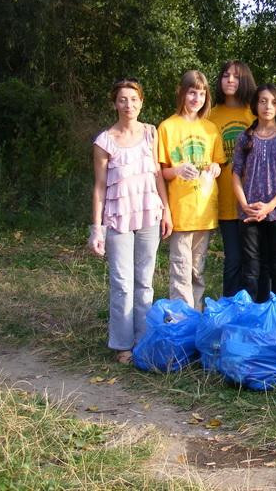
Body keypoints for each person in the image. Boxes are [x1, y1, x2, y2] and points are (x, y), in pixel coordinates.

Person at [89, 78, 173, 364]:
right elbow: (99, 187)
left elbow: (158, 174)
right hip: (118, 218)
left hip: (149, 212)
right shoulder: (104, 141)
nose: (129, 105)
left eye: (134, 99)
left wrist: (166, 210)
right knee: (122, 283)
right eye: (123, 99)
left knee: (145, 282)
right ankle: (123, 345)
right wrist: (97, 229)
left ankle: (143, 341)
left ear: (141, 102)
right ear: (115, 103)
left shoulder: (151, 133)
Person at [158, 70, 225, 310]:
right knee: (180, 270)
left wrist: (215, 167)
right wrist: (177, 170)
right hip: (181, 213)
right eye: (192, 93)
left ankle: (196, 315)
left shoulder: (210, 129)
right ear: (182, 93)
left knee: (197, 270)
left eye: (201, 94)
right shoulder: (167, 127)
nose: (197, 98)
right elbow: (161, 172)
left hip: (204, 213)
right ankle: (181, 320)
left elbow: (217, 163)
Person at [232, 84, 276, 302]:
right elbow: (235, 173)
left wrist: (270, 206)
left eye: (273, 102)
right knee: (251, 269)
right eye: (263, 101)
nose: (267, 106)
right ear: (255, 105)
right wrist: (244, 205)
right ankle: (253, 313)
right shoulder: (245, 138)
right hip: (249, 212)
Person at [209, 60, 256, 297]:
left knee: (253, 260)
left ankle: (253, 307)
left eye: (236, 76)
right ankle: (229, 308)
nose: (230, 80)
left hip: (253, 200)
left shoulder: (254, 113)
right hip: (224, 199)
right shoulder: (210, 115)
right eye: (226, 75)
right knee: (233, 260)